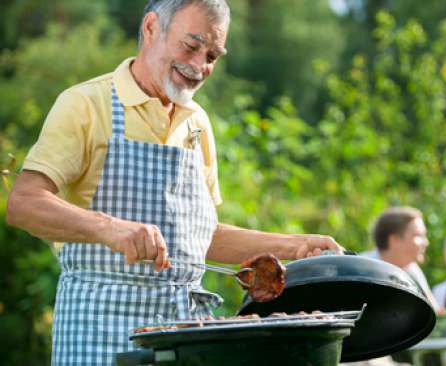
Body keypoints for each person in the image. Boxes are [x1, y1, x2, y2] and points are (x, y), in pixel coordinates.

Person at [5, 1, 342, 365]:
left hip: (184, 340)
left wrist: (295, 246)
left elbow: (201, 238)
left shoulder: (197, 123)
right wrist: (110, 228)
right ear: (151, 29)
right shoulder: (87, 105)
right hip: (100, 332)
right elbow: (24, 203)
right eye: (191, 46)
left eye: (212, 54)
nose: (200, 66)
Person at [362, 206, 438, 308]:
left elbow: (434, 310)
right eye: (418, 235)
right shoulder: (362, 269)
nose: (426, 242)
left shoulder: (412, 270)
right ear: (394, 240)